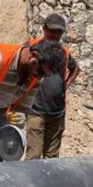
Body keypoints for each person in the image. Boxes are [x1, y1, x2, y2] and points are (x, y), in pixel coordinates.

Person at [24, 13, 80, 159]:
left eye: (59, 32)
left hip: (57, 114)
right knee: (33, 157)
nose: (55, 35)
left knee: (52, 159)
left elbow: (75, 68)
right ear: (44, 29)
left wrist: (66, 84)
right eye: (52, 31)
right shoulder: (32, 48)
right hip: (36, 112)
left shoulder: (64, 53)